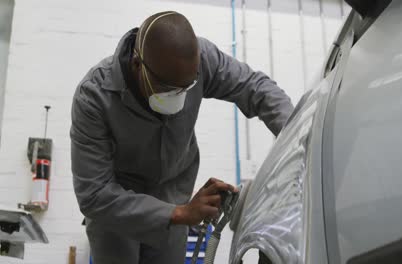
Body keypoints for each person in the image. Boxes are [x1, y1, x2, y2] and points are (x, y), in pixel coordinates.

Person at [70, 11, 294, 264]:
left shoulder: (202, 60)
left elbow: (257, 88)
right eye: (169, 89)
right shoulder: (94, 97)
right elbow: (94, 194)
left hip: (172, 198)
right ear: (137, 66)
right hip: (116, 214)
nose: (179, 97)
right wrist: (179, 213)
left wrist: (296, 140)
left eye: (186, 88)